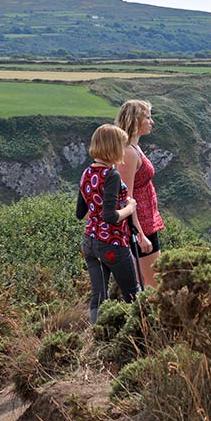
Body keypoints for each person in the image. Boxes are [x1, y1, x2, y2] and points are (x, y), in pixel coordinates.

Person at [76, 124, 139, 324]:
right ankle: (139, 334)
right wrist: (130, 207)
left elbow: (80, 213)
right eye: (121, 145)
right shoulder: (111, 175)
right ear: (113, 148)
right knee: (132, 293)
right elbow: (110, 217)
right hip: (112, 242)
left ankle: (97, 335)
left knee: (98, 295)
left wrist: (96, 209)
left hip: (89, 242)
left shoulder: (86, 173)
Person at [115, 99, 165, 289]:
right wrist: (138, 234)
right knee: (152, 281)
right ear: (136, 121)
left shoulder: (133, 148)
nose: (151, 122)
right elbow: (126, 197)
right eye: (148, 117)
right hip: (140, 224)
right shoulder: (128, 152)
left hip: (145, 221)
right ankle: (148, 317)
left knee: (149, 279)